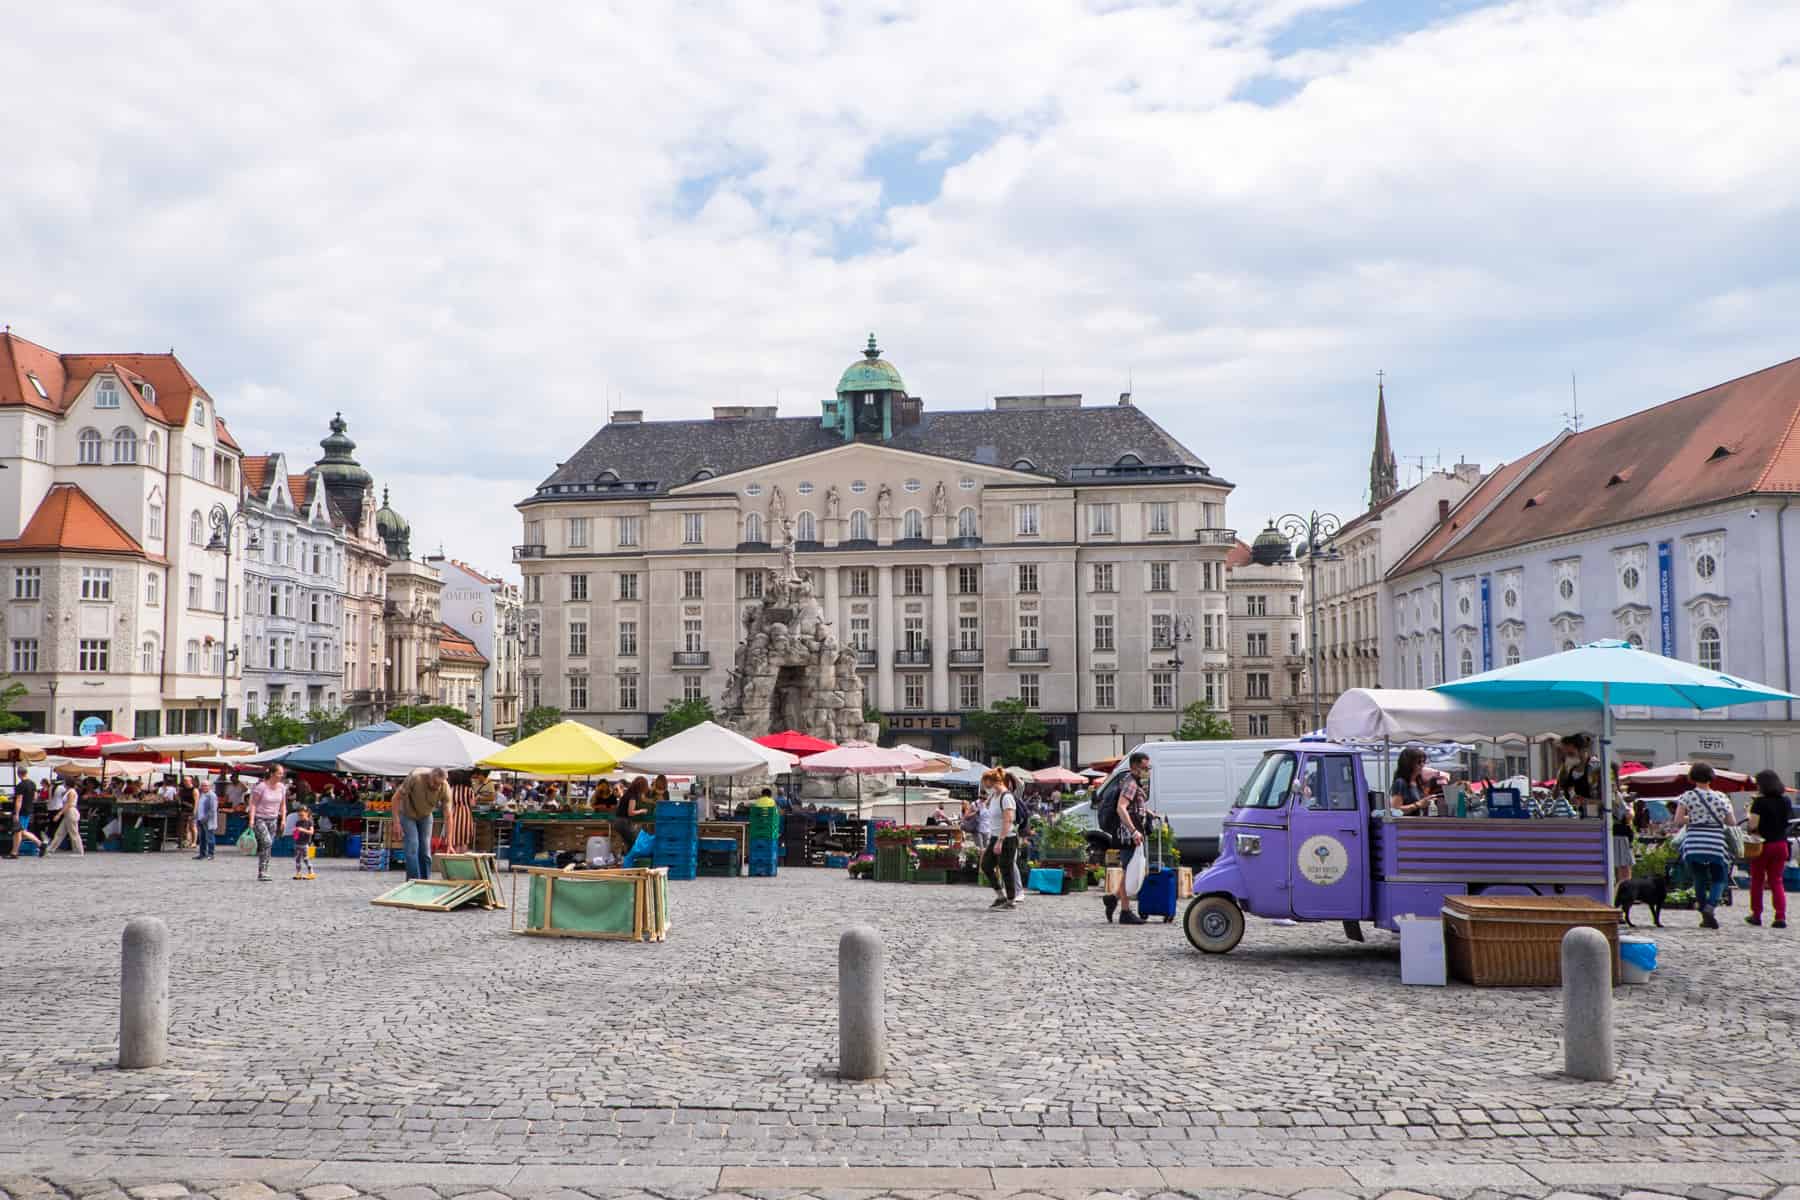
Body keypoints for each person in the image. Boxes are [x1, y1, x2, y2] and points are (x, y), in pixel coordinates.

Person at [1671, 763, 1737, 929]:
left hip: (1694, 842)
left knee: (1699, 879)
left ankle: (1703, 912)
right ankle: (1710, 907)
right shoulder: (1722, 797)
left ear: (1692, 777)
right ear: (1711, 777)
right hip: (1715, 842)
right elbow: (1731, 822)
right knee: (1719, 878)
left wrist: (1693, 818)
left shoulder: (1687, 796)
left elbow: (1678, 821)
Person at [1105, 752, 1152, 924]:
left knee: (1133, 871)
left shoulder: (1135, 783)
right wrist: (1133, 831)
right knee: (1130, 871)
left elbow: (1134, 806)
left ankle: (1113, 899)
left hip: (1133, 833)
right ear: (1133, 767)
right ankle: (1125, 911)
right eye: (1144, 768)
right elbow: (1121, 808)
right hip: (1129, 835)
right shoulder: (1130, 783)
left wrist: (1148, 812)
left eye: (1148, 768)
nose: (1147, 771)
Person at [1745, 769, 1792, 928]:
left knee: (1757, 881)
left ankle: (1756, 914)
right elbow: (1788, 822)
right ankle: (1780, 916)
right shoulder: (1785, 801)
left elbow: (1752, 826)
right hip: (1781, 844)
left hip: (1762, 845)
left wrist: (1749, 813)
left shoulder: (1759, 802)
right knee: (1777, 881)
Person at [393, 767, 450, 880]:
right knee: (413, 847)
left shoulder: (445, 787)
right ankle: (413, 881)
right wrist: (396, 822)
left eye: (440, 784)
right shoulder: (415, 778)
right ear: (429, 777)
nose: (437, 786)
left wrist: (450, 841)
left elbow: (448, 815)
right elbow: (395, 799)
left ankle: (425, 881)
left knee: (425, 850)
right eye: (435, 783)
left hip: (426, 815)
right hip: (408, 814)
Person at [978, 769, 1018, 911]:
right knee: (986, 865)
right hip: (995, 836)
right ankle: (1000, 895)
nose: (983, 784)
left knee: (1005, 868)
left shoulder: (1006, 797)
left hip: (1007, 838)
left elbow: (1008, 820)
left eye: (985, 781)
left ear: (991, 780)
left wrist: (1000, 841)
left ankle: (1011, 900)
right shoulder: (995, 795)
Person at [248, 765, 290, 883]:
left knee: (268, 846)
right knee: (267, 842)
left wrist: (283, 819)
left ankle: (263, 871)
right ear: (272, 774)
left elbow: (283, 805)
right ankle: (262, 871)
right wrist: (251, 820)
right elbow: (253, 804)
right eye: (279, 773)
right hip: (260, 818)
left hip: (273, 819)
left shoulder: (282, 787)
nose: (282, 776)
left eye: (282, 773)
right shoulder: (261, 787)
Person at [4, 779, 45, 860]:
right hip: (28, 810)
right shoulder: (33, 784)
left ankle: (14, 853)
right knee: (21, 831)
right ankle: (40, 844)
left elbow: (19, 800)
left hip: (22, 811)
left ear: (19, 774)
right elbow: (35, 796)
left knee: (18, 831)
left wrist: (16, 813)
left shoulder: (21, 785)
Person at [1389, 747, 1429, 816]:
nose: (1422, 765)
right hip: (1405, 825)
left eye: (1423, 762)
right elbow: (1395, 810)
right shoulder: (1400, 782)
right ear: (1408, 764)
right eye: (1419, 762)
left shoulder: (1417, 782)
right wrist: (1417, 805)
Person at [193, 778, 218, 860]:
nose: (204, 787)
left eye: (206, 786)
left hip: (208, 820)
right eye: (203, 785)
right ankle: (202, 854)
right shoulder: (201, 794)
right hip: (200, 819)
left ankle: (211, 854)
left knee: (210, 837)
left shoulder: (212, 796)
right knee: (202, 838)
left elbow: (213, 809)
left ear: (210, 787)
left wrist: (205, 818)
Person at [291, 806, 316, 880]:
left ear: (307, 813)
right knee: (297, 859)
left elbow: (311, 832)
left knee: (306, 859)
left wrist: (302, 830)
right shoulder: (298, 822)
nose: (300, 817)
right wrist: (295, 832)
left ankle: (311, 873)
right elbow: (296, 833)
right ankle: (298, 873)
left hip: (305, 844)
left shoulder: (309, 822)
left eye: (302, 815)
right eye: (299, 815)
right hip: (297, 843)